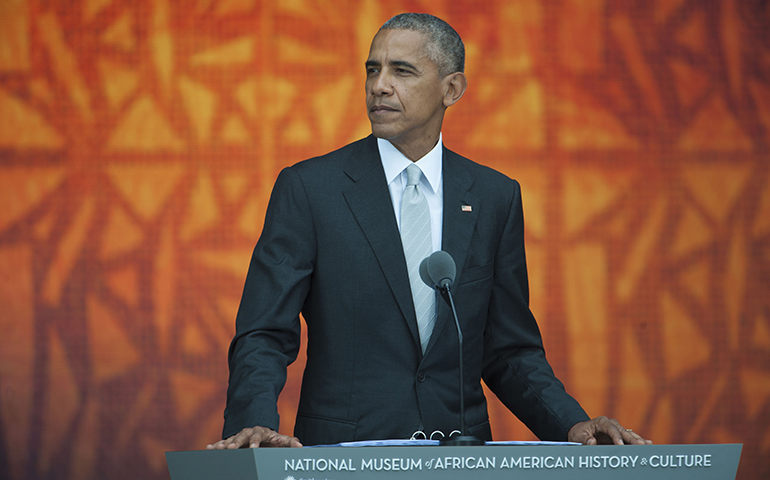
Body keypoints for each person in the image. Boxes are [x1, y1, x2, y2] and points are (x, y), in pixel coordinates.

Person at [207, 13, 651, 450]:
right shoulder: (310, 189)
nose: (379, 85)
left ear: (451, 89)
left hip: (460, 456)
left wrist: (572, 425)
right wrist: (252, 423)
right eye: (372, 70)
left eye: (401, 71)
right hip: (344, 455)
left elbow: (508, 349)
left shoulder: (496, 197)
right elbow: (264, 332)